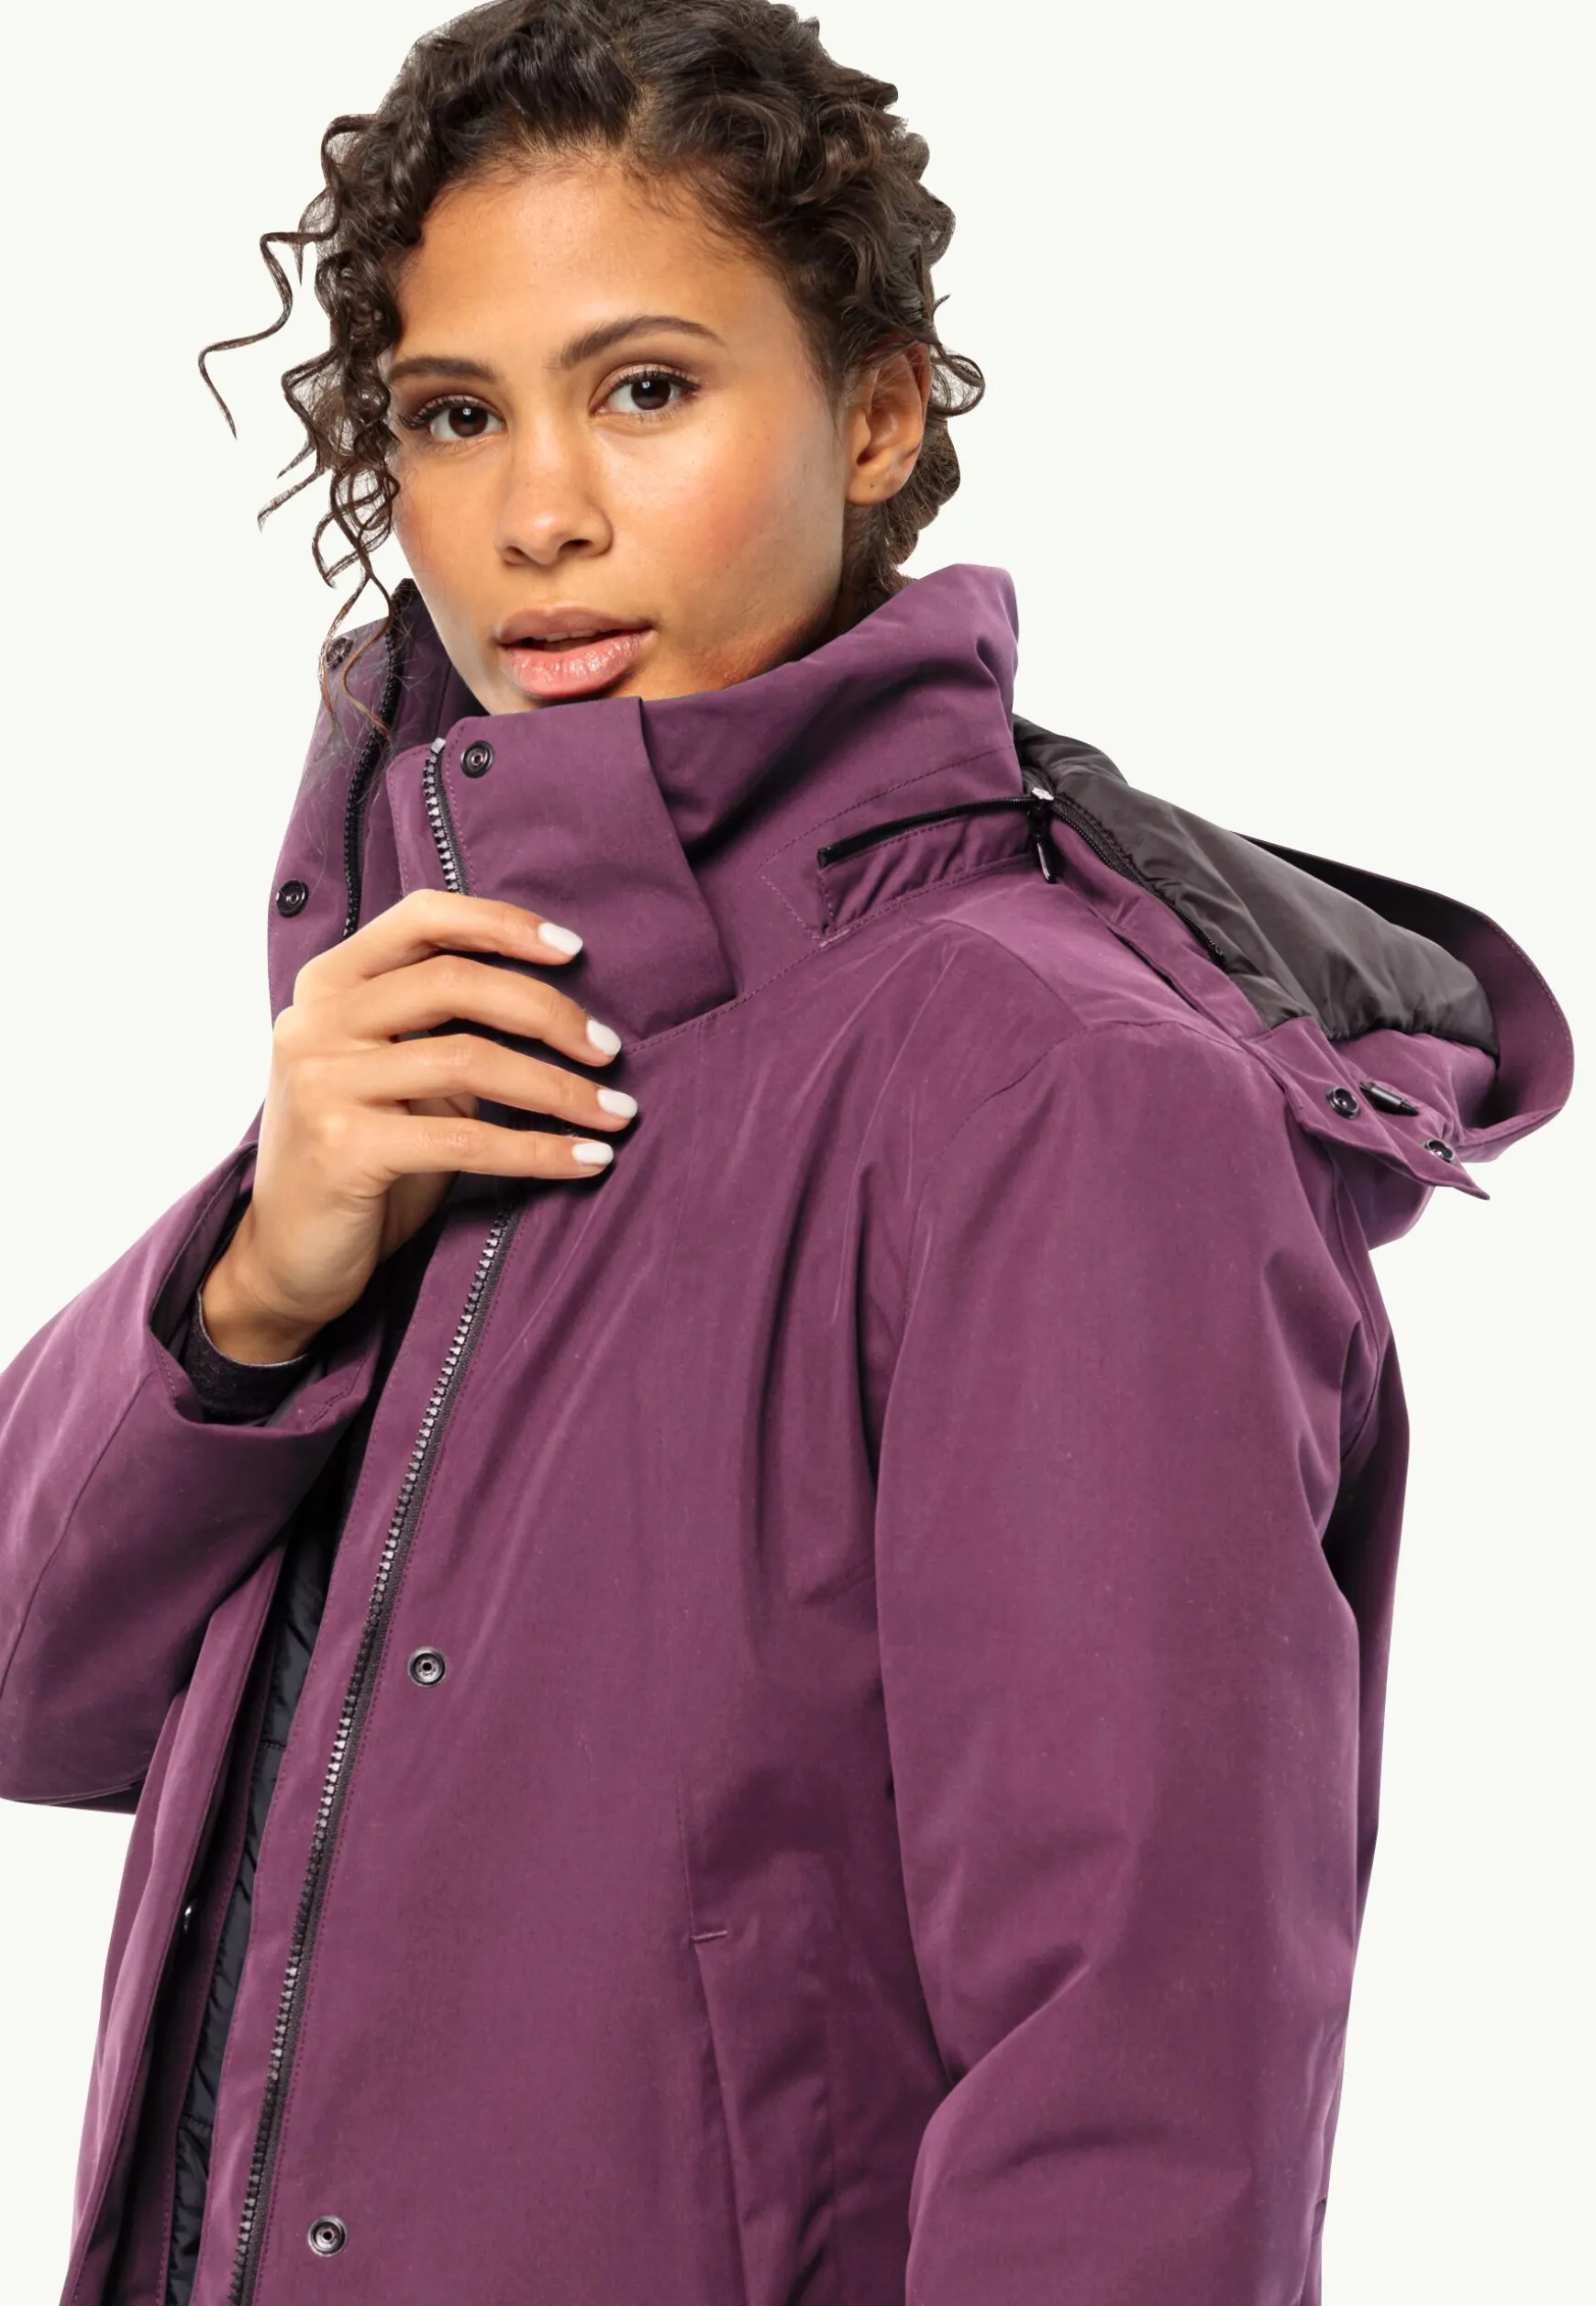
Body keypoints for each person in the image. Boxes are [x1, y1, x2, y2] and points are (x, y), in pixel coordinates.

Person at [0, 3, 1574, 2301]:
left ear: (877, 409)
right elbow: (36, 1693)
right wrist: (253, 1278)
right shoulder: (434, 1037)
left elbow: (1146, 2070)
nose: (539, 514)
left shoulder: (1055, 1093)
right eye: (454, 415)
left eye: (645, 389)